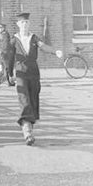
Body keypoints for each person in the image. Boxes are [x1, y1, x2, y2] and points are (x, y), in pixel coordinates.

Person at [10, 12, 60, 145]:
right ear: (18, 25)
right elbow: (8, 55)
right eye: (22, 23)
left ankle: (29, 127)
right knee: (24, 98)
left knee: (33, 98)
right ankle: (26, 130)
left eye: (26, 22)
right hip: (20, 70)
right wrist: (10, 73)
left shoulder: (34, 38)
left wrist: (55, 51)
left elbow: (43, 46)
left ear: (29, 24)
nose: (24, 25)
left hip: (33, 71)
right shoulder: (14, 39)